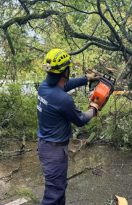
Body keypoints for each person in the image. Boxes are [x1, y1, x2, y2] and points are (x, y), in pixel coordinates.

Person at [36, 48, 99, 205]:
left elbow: (65, 85)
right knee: (53, 195)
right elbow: (81, 120)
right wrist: (94, 109)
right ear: (66, 71)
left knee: (58, 189)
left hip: (47, 146)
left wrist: (86, 79)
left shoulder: (44, 87)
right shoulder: (63, 100)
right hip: (54, 151)